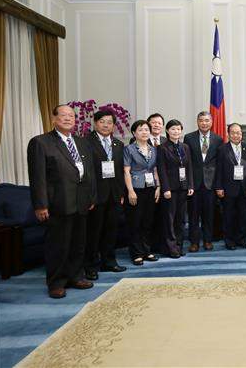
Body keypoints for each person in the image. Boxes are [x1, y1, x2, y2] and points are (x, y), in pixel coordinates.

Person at [27, 105, 97, 299]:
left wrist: (91, 197)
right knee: (58, 245)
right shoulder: (41, 142)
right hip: (57, 203)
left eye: (71, 116)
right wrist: (40, 204)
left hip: (81, 201)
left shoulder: (82, 142)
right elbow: (37, 177)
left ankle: (76, 276)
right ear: (53, 119)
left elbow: (89, 172)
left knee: (78, 244)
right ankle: (56, 282)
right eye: (63, 115)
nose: (68, 119)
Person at [84, 110, 127, 281]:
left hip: (114, 195)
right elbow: (86, 172)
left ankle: (109, 261)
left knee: (111, 230)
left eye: (109, 122)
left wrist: (121, 192)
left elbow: (120, 171)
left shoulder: (118, 144)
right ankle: (90, 266)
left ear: (114, 125)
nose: (106, 125)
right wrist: (89, 195)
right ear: (95, 123)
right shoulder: (86, 142)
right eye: (102, 121)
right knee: (93, 232)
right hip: (95, 196)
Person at [183, 111, 223, 252]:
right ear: (197, 122)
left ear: (211, 122)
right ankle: (194, 242)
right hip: (194, 183)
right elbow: (186, 162)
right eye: (201, 120)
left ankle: (207, 240)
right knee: (193, 214)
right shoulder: (189, 138)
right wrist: (188, 183)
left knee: (209, 214)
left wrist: (218, 184)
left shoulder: (218, 139)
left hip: (210, 184)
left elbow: (219, 164)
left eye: (207, 120)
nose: (204, 123)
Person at [124, 120, 160, 266]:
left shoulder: (153, 149)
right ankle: (136, 253)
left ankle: (146, 250)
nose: (144, 132)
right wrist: (130, 190)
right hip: (136, 188)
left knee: (147, 221)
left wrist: (158, 187)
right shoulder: (129, 149)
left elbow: (155, 169)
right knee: (135, 222)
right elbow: (126, 171)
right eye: (140, 130)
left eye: (146, 129)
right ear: (134, 133)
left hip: (151, 188)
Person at [157, 119, 195, 258]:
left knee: (181, 219)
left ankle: (179, 246)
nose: (176, 131)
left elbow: (189, 167)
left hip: (183, 187)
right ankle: (171, 248)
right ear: (167, 131)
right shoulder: (162, 148)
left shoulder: (185, 147)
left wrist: (190, 185)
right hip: (170, 189)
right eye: (173, 129)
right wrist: (165, 188)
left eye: (178, 129)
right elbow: (161, 169)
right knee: (170, 219)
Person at [215, 123, 246, 250]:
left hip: (244, 188)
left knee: (243, 216)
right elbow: (219, 170)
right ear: (228, 134)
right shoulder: (222, 149)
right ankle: (230, 241)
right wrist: (219, 187)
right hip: (228, 188)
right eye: (233, 133)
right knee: (229, 216)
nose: (236, 135)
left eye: (238, 133)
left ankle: (242, 240)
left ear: (242, 134)